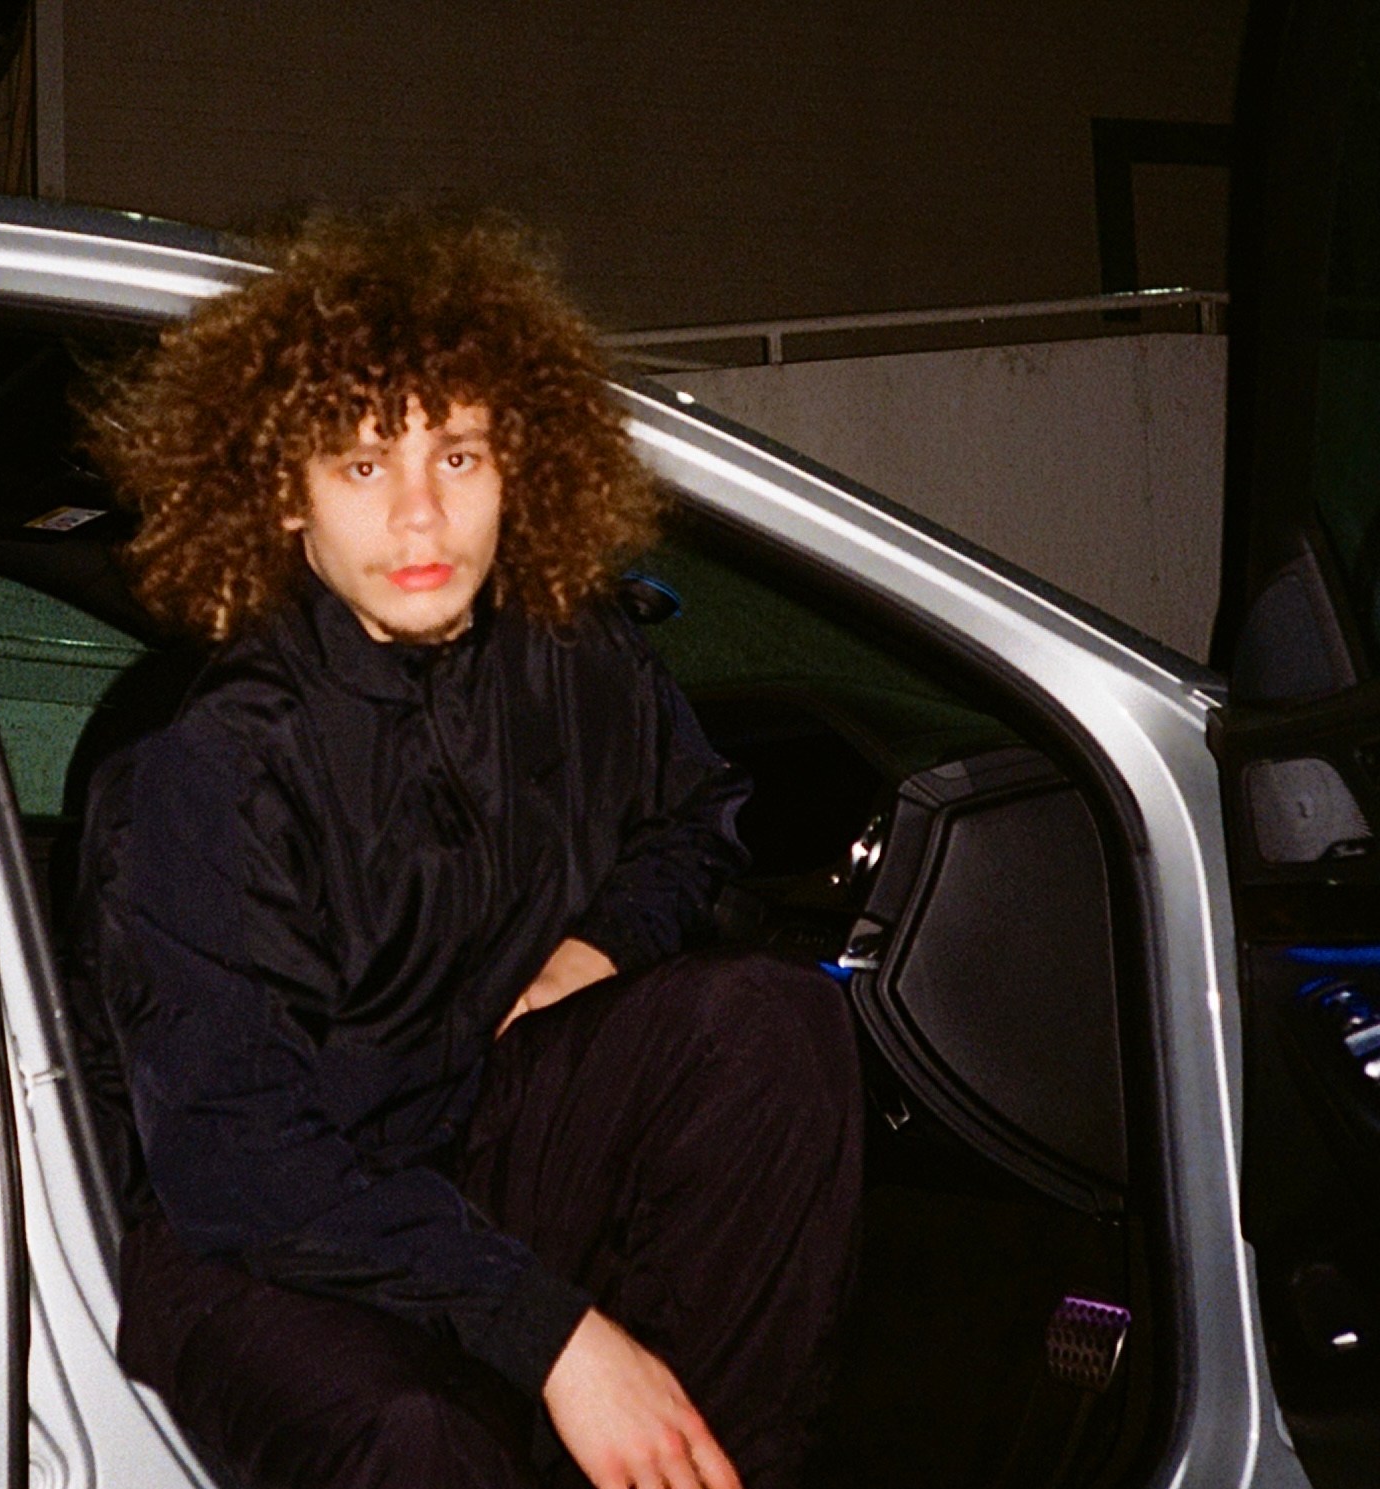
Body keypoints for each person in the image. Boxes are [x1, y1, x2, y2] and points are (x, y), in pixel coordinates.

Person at [69, 209, 862, 1489]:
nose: (420, 515)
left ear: (517, 467)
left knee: (769, 1027)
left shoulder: (571, 661)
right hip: (254, 1232)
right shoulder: (205, 762)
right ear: (284, 495)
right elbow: (234, 1158)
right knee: (415, 1434)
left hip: (469, 1136)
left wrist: (594, 947)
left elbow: (693, 809)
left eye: (456, 454)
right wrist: (553, 1335)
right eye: (361, 464)